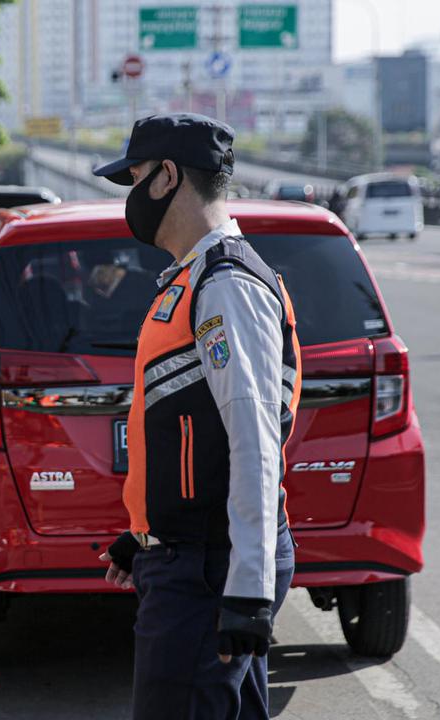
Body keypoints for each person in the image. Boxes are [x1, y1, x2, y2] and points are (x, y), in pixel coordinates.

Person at [93, 113, 302, 720]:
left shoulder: (226, 283)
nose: (128, 197)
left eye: (133, 178)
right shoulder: (192, 278)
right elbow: (191, 432)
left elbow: (254, 440)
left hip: (208, 573)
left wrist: (248, 588)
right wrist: (144, 535)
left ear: (166, 176)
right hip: (196, 559)